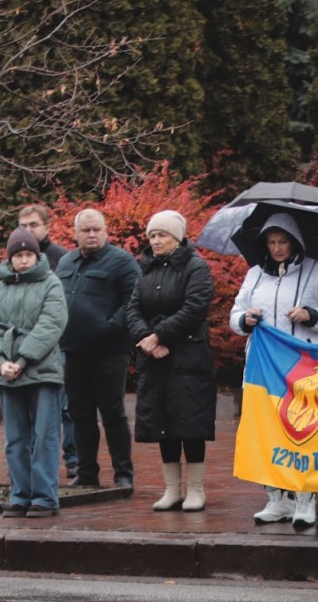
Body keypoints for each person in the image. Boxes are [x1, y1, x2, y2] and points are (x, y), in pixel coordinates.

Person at [232, 214, 318, 530]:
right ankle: (276, 498)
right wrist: (245, 319)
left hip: (304, 368)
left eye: (283, 241)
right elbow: (235, 313)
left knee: (303, 429)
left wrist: (311, 315)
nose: (277, 248)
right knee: (266, 431)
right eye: (271, 242)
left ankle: (304, 498)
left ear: (294, 242)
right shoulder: (255, 274)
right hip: (263, 368)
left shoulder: (317, 271)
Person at [128, 210, 217, 513]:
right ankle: (171, 490)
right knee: (161, 424)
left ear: (177, 238)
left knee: (189, 423)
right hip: (155, 360)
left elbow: (195, 308)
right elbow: (133, 309)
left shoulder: (196, 267)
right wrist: (146, 340)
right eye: (152, 235)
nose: (155, 240)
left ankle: (195, 490)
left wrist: (160, 336)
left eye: (162, 235)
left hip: (188, 358)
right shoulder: (146, 270)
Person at [0, 228, 69, 517]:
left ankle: (44, 497)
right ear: (10, 258)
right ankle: (20, 495)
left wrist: (21, 360)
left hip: (42, 371)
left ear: (37, 255)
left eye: (28, 254)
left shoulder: (51, 284)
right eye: (18, 255)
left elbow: (51, 324)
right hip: (7, 372)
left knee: (45, 435)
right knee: (15, 438)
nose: (23, 260)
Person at [57, 208, 140, 493]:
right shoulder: (66, 262)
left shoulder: (122, 262)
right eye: (85, 230)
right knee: (80, 414)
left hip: (109, 352)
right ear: (76, 233)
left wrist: (108, 329)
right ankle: (87, 472)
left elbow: (133, 302)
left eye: (96, 230)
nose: (91, 235)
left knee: (113, 413)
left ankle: (123, 474)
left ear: (105, 231)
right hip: (73, 351)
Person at [16, 203, 73, 480]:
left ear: (47, 227)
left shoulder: (61, 259)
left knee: (63, 407)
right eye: (23, 226)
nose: (28, 231)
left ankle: (72, 459)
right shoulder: (14, 262)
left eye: (34, 225)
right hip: (20, 349)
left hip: (56, 345)